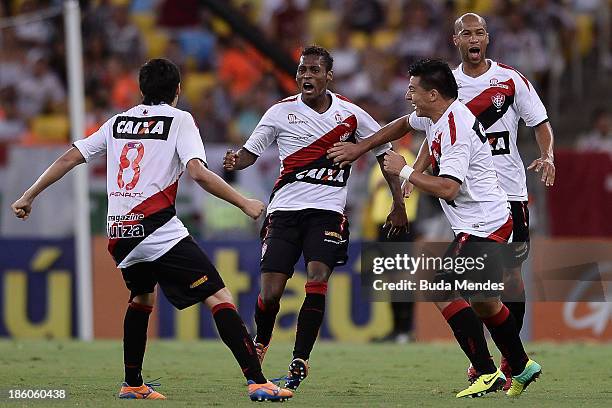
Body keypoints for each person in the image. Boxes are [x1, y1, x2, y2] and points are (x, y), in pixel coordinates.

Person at [11, 58, 292, 402]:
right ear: (177, 90)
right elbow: (198, 173)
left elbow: (70, 157)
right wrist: (244, 202)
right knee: (219, 296)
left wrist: (29, 195)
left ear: (141, 90)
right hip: (155, 227)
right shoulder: (180, 120)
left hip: (119, 233)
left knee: (142, 297)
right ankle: (257, 381)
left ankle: (132, 384)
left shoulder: (117, 121)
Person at [328, 58, 541, 398]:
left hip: (485, 223)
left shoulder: (454, 127)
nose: (408, 94)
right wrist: (360, 148)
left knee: (441, 286)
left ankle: (487, 371)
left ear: (433, 93)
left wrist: (406, 171)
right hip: (484, 220)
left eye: (413, 89)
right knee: (485, 302)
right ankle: (521, 364)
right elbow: (400, 126)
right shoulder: (437, 116)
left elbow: (448, 188)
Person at [223, 45, 408, 390]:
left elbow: (386, 153)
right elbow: (252, 151)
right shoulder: (279, 113)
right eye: (302, 70)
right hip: (284, 211)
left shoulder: (352, 115)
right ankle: (262, 341)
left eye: (313, 70)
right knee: (271, 292)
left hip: (327, 211)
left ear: (328, 76)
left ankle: (300, 358)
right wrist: (237, 160)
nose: (306, 76)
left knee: (317, 275)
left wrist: (397, 203)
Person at [451, 12, 555, 388]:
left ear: (487, 39)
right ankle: (499, 361)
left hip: (510, 192)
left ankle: (505, 362)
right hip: (467, 196)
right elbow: (427, 125)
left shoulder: (510, 79)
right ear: (456, 40)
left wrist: (548, 155)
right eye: (467, 33)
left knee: (509, 276)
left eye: (480, 32)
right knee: (473, 282)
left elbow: (540, 122)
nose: (474, 38)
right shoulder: (446, 85)